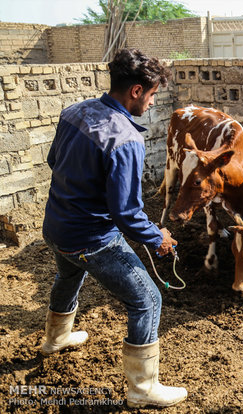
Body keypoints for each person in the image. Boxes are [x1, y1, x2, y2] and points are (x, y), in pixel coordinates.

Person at [41, 48, 187, 408]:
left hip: (56, 227)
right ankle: (142, 389)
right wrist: (159, 237)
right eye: (152, 95)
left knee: (69, 275)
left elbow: (52, 160)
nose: (153, 103)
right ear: (136, 91)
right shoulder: (125, 140)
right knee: (148, 299)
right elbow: (126, 214)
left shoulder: (74, 112)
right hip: (91, 240)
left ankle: (55, 339)